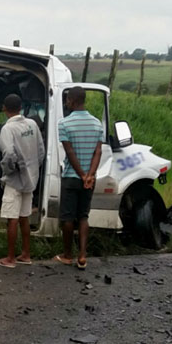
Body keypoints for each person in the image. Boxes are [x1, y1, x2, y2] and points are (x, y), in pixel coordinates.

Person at [0, 94, 46, 268]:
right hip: (31, 179)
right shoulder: (32, 124)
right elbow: (41, 151)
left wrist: (8, 171)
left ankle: (10, 258)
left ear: (4, 108)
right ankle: (26, 254)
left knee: (12, 218)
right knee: (24, 217)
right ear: (21, 107)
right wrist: (32, 169)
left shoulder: (8, 129)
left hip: (15, 180)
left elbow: (8, 153)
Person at [54, 86, 103, 270]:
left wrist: (81, 174)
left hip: (71, 177)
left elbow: (69, 151)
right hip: (89, 179)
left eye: (67, 100)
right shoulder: (97, 123)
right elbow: (98, 151)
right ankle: (82, 256)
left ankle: (67, 255)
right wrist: (90, 175)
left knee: (67, 217)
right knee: (83, 216)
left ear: (72, 101)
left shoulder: (64, 124)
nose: (66, 103)